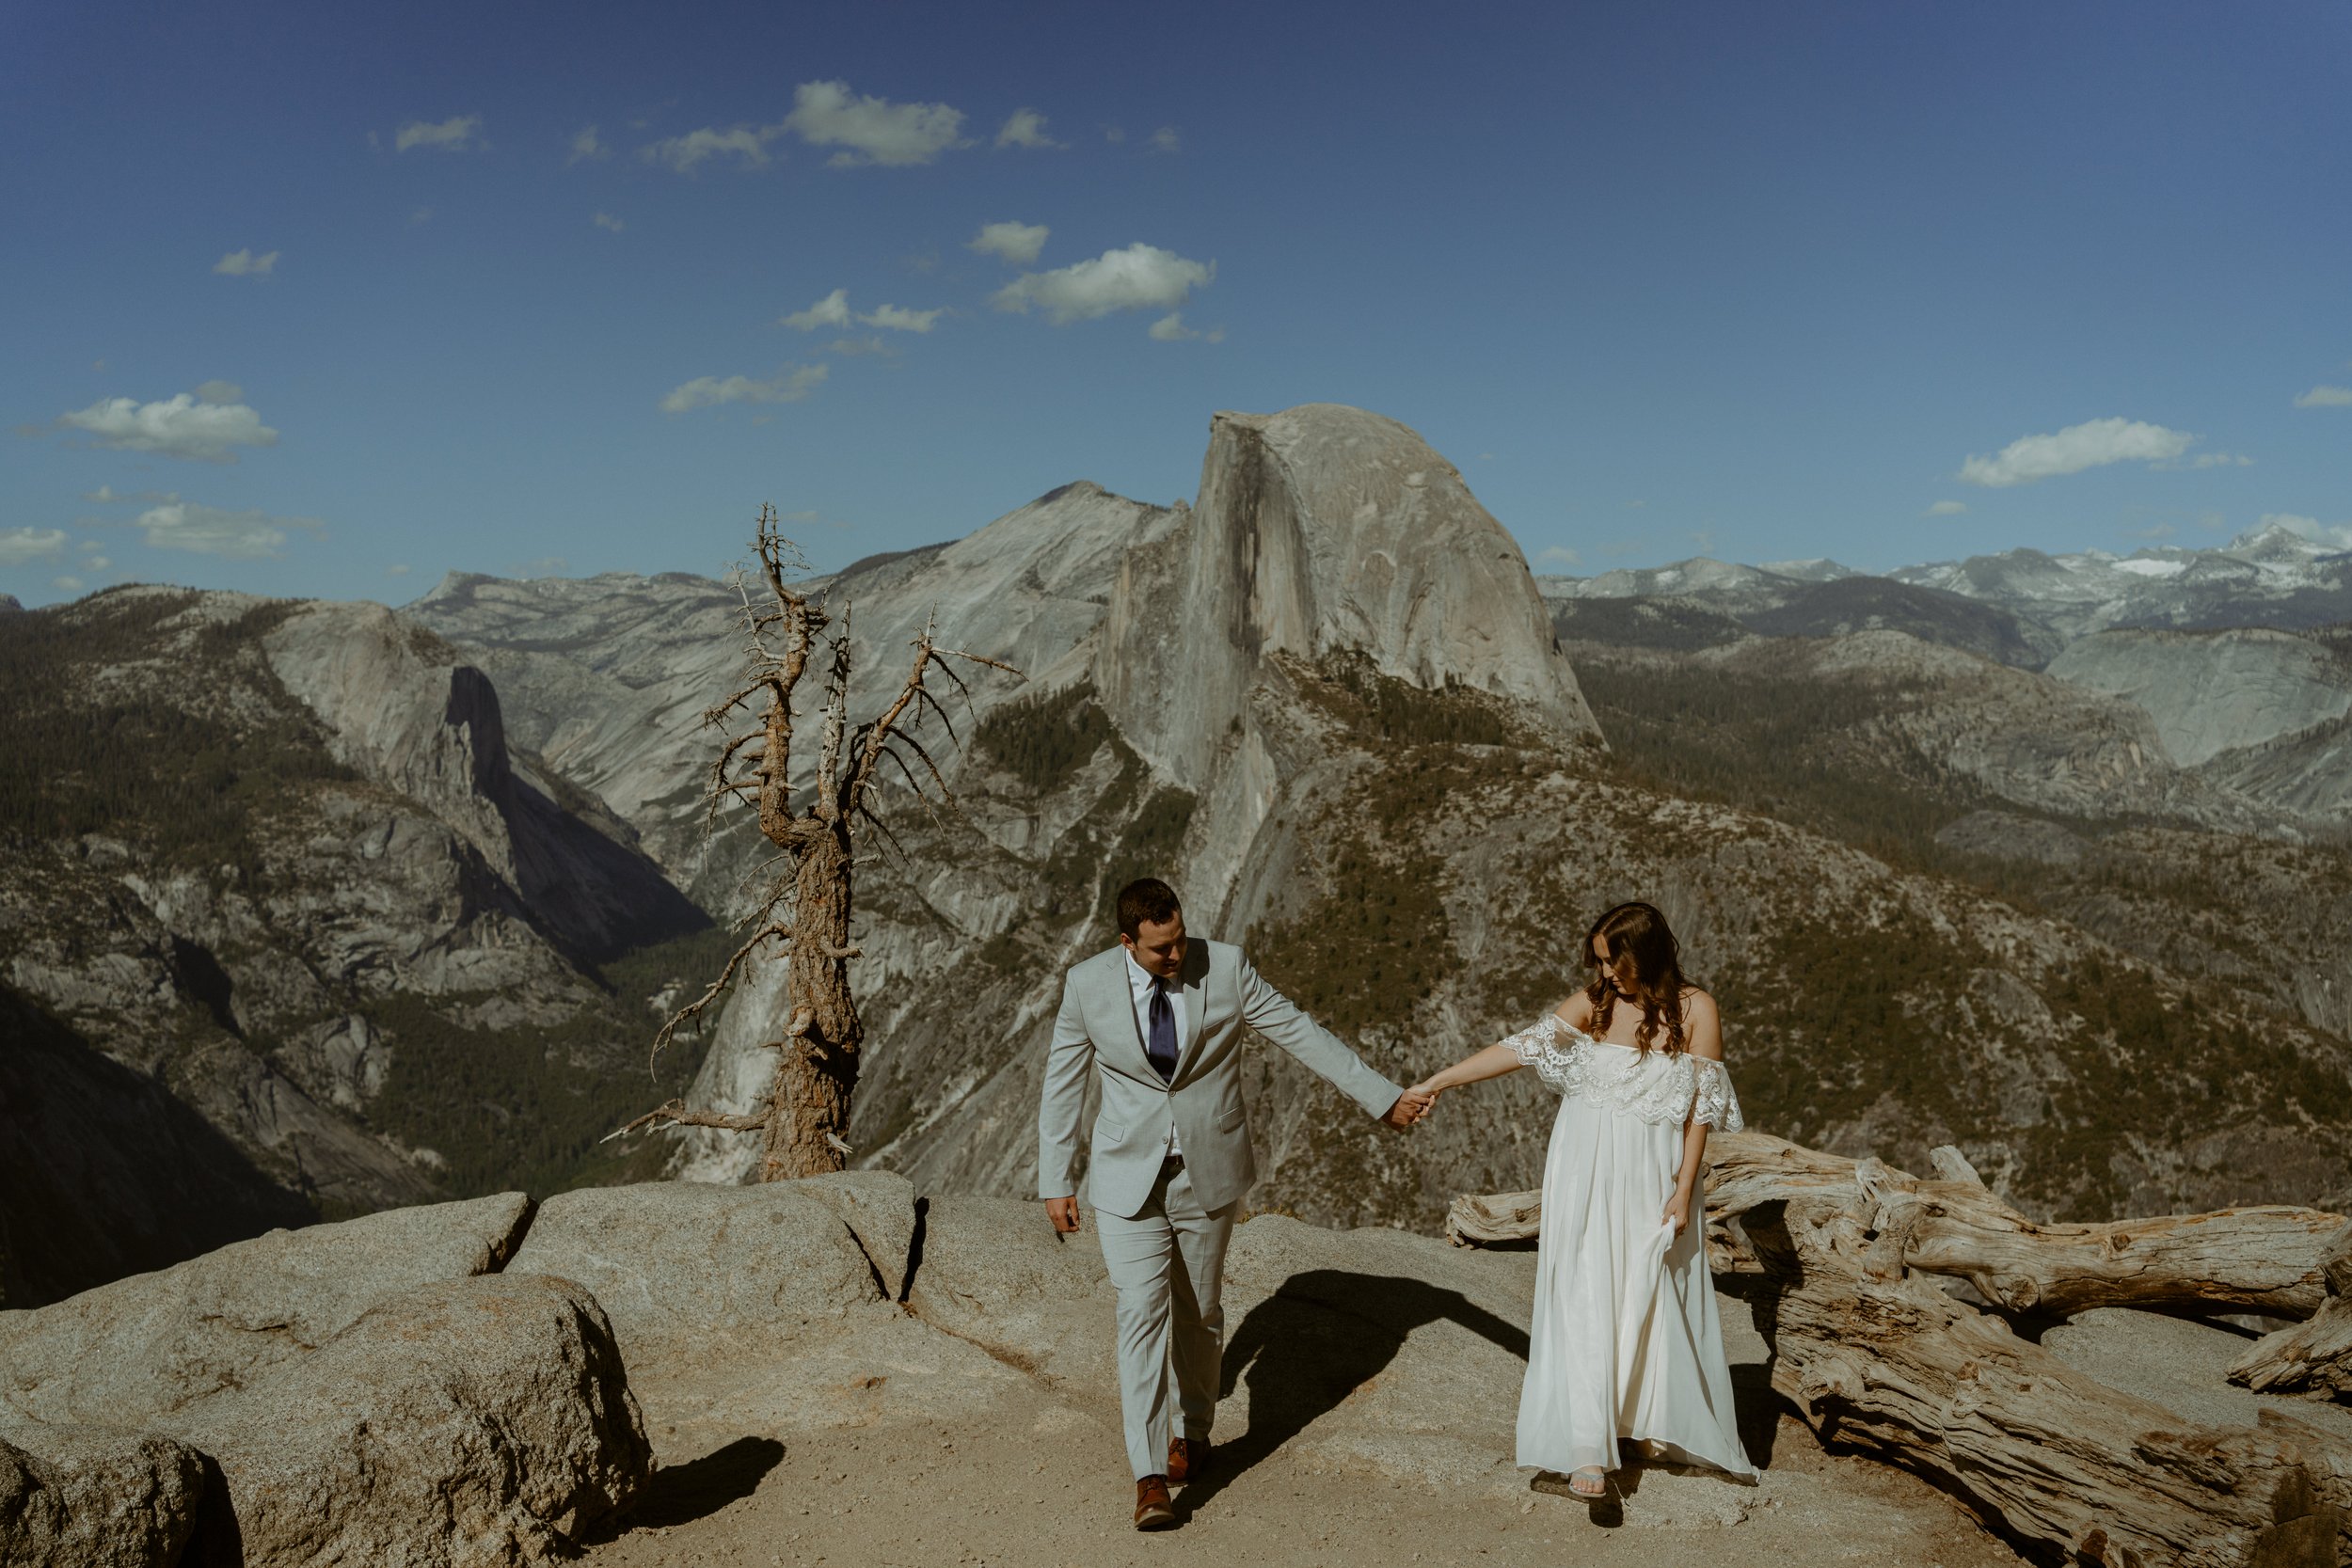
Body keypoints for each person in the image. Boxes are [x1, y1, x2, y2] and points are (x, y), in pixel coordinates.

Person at [1038, 877, 1437, 1529]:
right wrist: (1056, 1177)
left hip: (1207, 1174)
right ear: (1127, 941)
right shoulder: (1087, 984)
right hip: (1124, 1178)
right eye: (1161, 949)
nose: (1176, 956)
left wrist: (1381, 1096)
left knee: (1199, 1312)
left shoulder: (1226, 966)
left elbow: (1299, 1032)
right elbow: (1062, 1081)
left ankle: (1193, 1432)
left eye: (1181, 940)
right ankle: (1147, 1476)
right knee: (1140, 1310)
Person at [1407, 900, 1756, 1498]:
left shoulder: (1698, 1010)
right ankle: (1586, 1449)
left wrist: (1683, 1189)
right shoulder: (1594, 1004)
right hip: (1582, 1167)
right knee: (1586, 1291)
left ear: (1645, 954)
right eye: (1598, 960)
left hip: (1652, 1173)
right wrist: (1439, 1080)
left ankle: (1638, 1417)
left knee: (1645, 1289)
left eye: (1613, 960)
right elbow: (1517, 1048)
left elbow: (1701, 1107)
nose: (1605, 973)